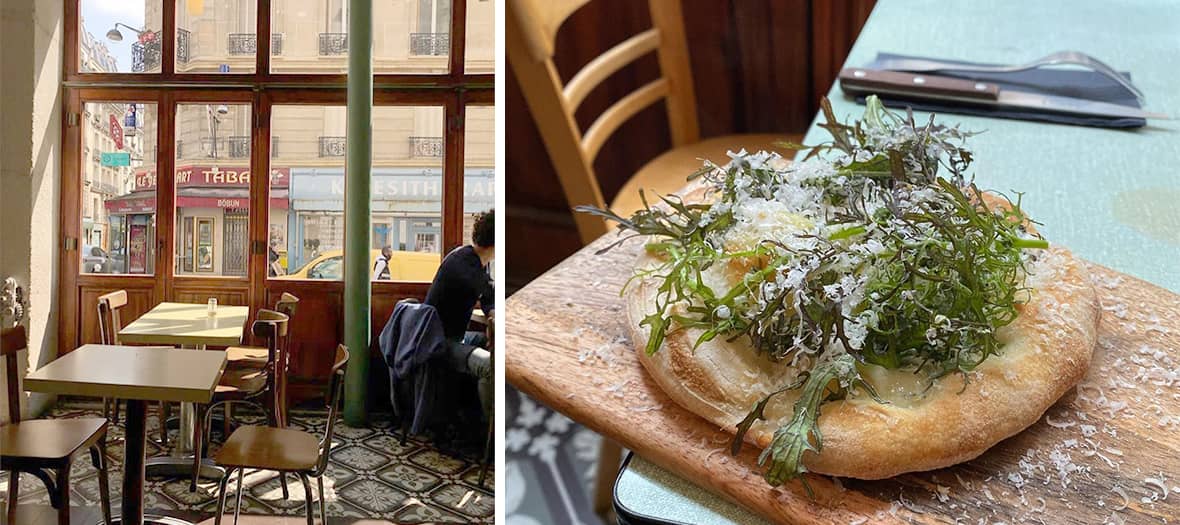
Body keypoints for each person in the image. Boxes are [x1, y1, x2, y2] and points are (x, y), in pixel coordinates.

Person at [424, 210, 494, 422]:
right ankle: (489, 431)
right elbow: (485, 290)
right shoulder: (465, 267)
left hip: (453, 336)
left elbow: (488, 295)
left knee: (493, 347)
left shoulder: (468, 258)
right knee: (490, 365)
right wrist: (493, 318)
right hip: (440, 344)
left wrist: (492, 313)